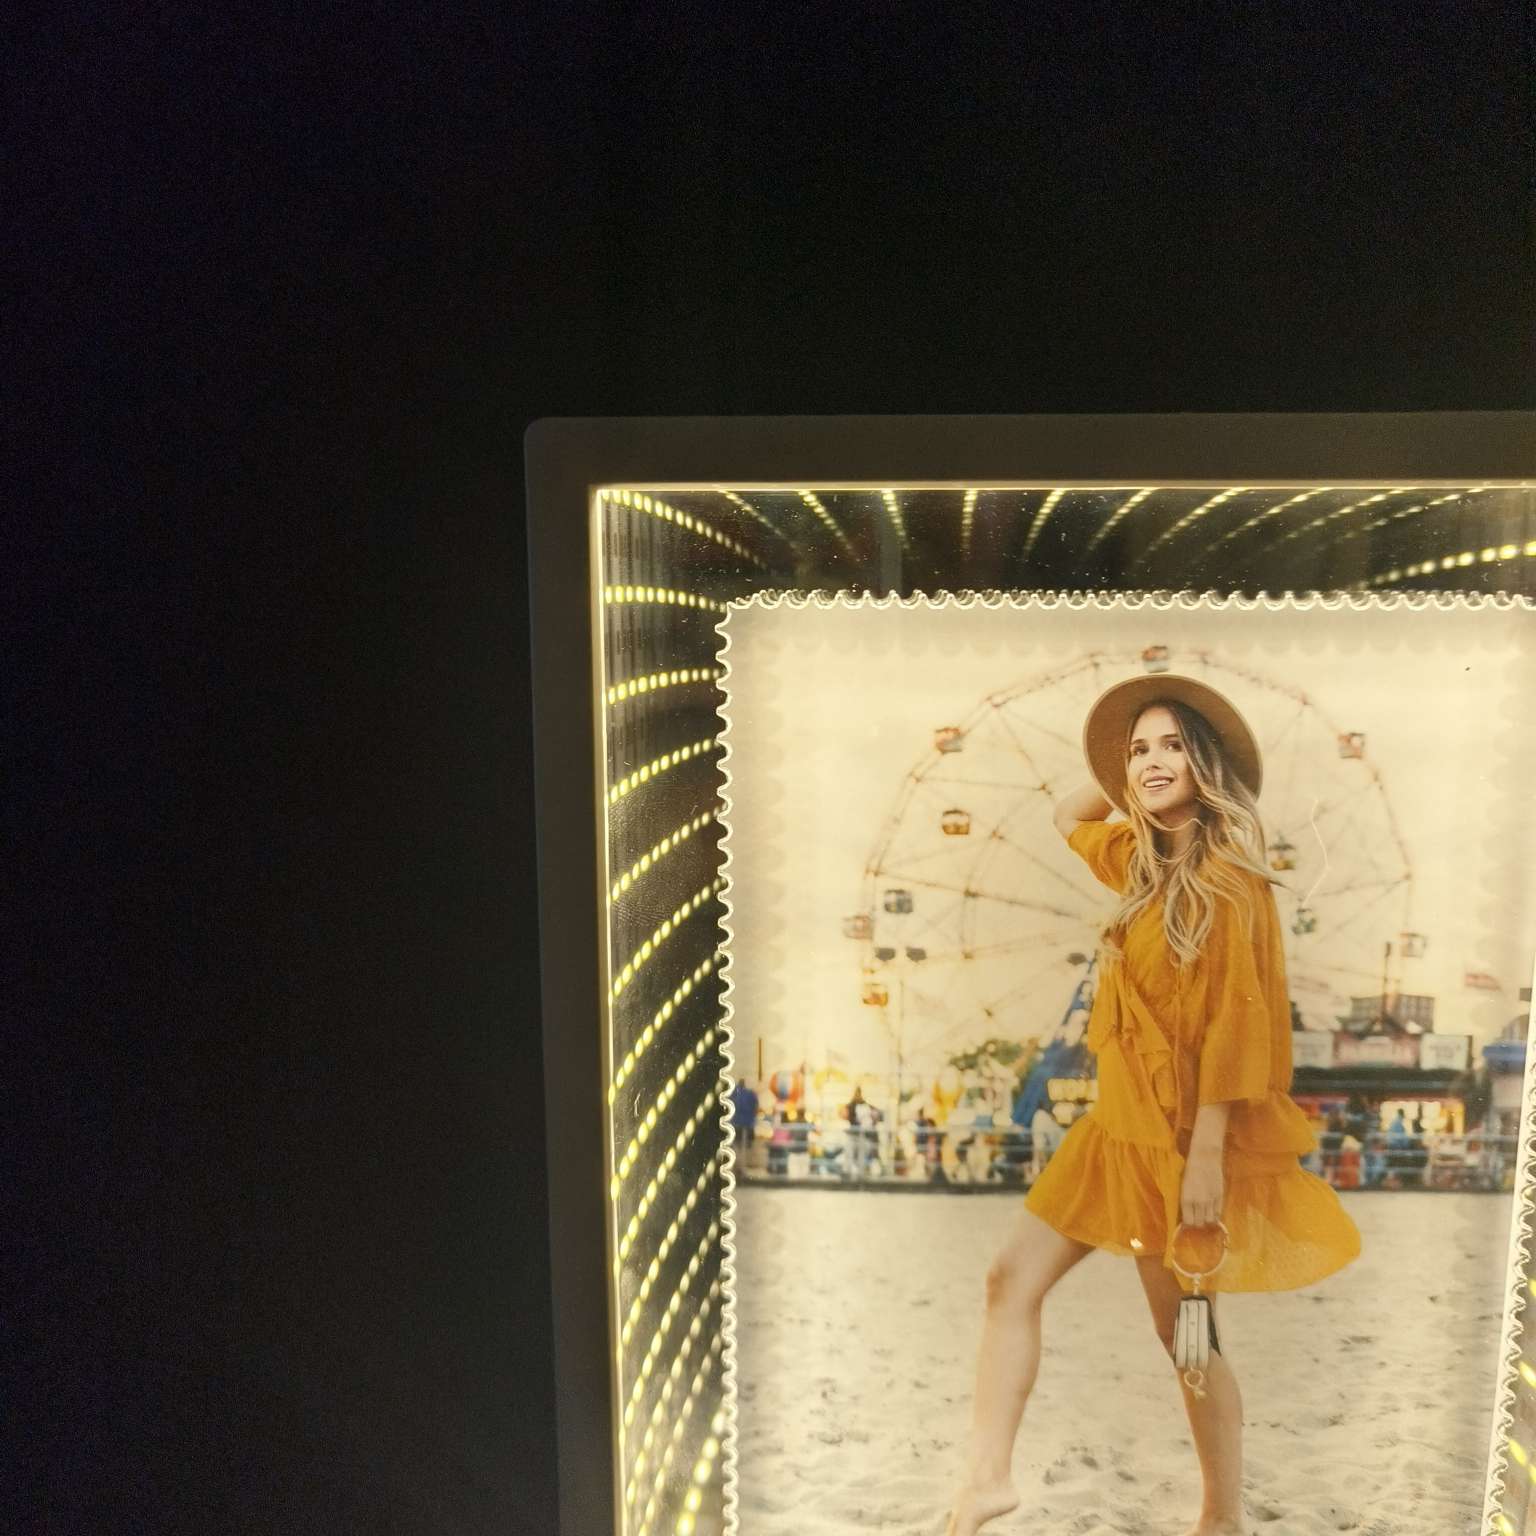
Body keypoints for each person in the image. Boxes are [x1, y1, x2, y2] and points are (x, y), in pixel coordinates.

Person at [944, 675, 1362, 1536]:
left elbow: (1238, 1026)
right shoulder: (1137, 862)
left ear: (1206, 763)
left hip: (1179, 1145)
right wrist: (1118, 768)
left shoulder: (1232, 882)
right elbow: (1067, 814)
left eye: (1173, 745)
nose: (1151, 761)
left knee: (1188, 1340)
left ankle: (1222, 1517)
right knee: (1008, 1281)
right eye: (1139, 750)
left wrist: (1206, 1155)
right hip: (1113, 1131)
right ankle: (986, 1481)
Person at [729, 1077, 759, 1161]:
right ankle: (746, 1155)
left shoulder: (735, 1093)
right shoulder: (750, 1093)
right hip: (748, 1120)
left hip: (737, 1120)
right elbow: (755, 1105)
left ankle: (739, 1155)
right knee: (747, 1141)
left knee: (738, 1140)